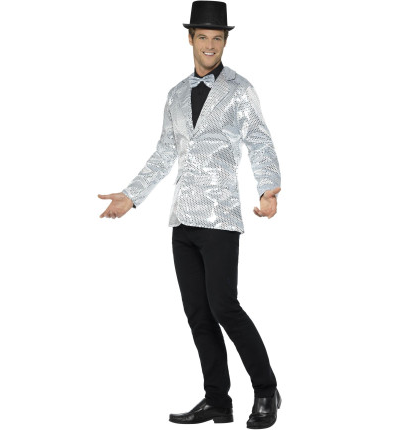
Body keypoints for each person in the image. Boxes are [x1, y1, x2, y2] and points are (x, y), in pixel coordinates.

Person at [98, 1, 282, 428]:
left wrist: (268, 187)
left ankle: (266, 389)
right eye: (203, 37)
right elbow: (165, 152)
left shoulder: (239, 89)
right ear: (190, 39)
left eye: (217, 38)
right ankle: (217, 400)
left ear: (225, 42)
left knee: (225, 307)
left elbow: (259, 140)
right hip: (182, 220)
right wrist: (131, 195)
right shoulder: (176, 94)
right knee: (198, 314)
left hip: (219, 218)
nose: (210, 45)